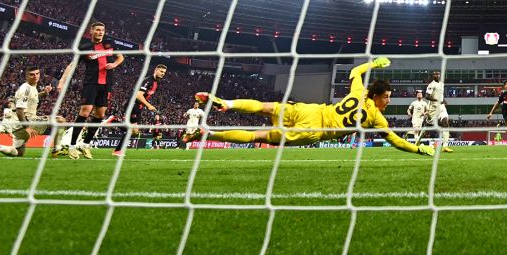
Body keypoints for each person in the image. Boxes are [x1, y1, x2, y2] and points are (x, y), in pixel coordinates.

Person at [186, 57, 434, 156]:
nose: (389, 101)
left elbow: (355, 70)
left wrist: (374, 64)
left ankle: (226, 103)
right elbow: (396, 142)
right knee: (257, 135)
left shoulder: (359, 91)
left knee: (266, 107)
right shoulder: (377, 119)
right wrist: (419, 150)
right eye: (387, 97)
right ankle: (210, 133)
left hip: (312, 109)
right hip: (314, 129)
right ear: (378, 96)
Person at [58, 21, 123, 159]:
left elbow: (120, 57)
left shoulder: (109, 44)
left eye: (102, 30)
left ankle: (85, 145)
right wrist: (62, 81)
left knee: (100, 115)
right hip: (91, 83)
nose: (100, 32)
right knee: (85, 112)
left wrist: (115, 64)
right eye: (98, 30)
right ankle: (72, 146)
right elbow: (72, 65)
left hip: (106, 85)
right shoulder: (85, 47)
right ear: (91, 31)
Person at [0, 68, 67, 158]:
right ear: (26, 76)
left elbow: (32, 98)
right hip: (26, 122)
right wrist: (27, 127)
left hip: (17, 127)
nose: (35, 76)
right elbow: (19, 110)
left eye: (37, 73)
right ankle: (57, 149)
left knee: (18, 152)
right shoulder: (26, 89)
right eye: (32, 74)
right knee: (60, 120)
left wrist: (44, 93)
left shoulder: (30, 88)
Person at [113, 64, 166, 156]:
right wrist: (149, 105)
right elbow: (138, 95)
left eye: (164, 72)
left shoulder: (155, 82)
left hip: (138, 106)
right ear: (156, 70)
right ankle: (117, 150)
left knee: (134, 131)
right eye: (161, 71)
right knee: (132, 130)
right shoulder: (148, 80)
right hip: (133, 105)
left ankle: (113, 122)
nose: (162, 74)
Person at [424, 70, 453, 152]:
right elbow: (426, 96)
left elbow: (440, 95)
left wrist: (443, 100)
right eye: (435, 74)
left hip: (442, 107)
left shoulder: (442, 84)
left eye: (438, 74)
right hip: (433, 108)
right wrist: (436, 100)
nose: (437, 75)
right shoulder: (431, 85)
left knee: (445, 122)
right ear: (433, 76)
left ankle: (445, 146)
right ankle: (418, 140)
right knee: (428, 126)